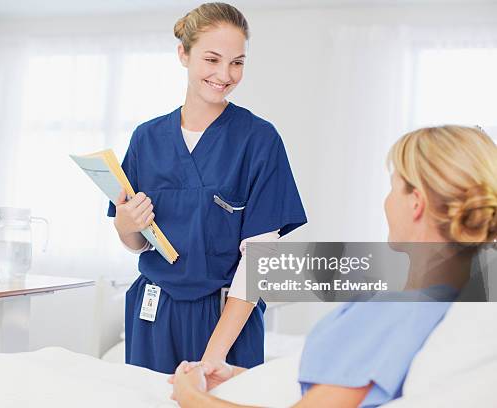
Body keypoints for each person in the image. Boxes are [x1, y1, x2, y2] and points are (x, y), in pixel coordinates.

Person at [170, 125, 497, 407]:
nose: (387, 201)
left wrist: (190, 396)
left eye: (393, 187)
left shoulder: (404, 307)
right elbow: (338, 388)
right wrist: (237, 378)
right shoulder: (443, 299)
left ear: (416, 203)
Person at [107, 2, 307, 374]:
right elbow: (139, 242)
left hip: (226, 318)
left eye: (237, 62)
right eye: (212, 59)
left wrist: (213, 357)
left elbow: (259, 260)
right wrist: (124, 226)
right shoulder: (146, 138)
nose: (225, 74)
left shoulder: (259, 140)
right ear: (183, 54)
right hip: (153, 311)